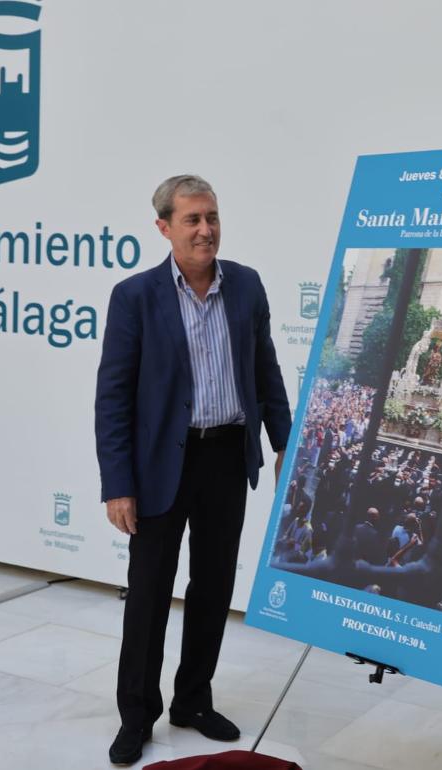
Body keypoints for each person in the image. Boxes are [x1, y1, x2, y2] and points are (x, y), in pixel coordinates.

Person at [95, 174, 291, 766]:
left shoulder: (247, 286)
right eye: (192, 220)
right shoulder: (135, 296)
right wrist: (117, 484)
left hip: (227, 456)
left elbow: (267, 375)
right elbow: (113, 397)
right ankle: (137, 714)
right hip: (159, 465)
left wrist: (286, 444)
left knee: (213, 587)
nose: (206, 229)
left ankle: (193, 700)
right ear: (164, 228)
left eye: (212, 217)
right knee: (150, 593)